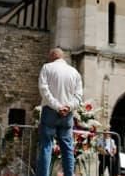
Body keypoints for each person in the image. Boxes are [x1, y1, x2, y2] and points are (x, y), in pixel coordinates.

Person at [37, 48, 83, 176]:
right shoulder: (75, 72)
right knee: (67, 148)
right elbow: (79, 96)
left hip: (50, 111)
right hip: (67, 114)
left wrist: (57, 106)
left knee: (46, 146)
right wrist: (68, 107)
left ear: (52, 56)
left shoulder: (47, 68)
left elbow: (44, 90)